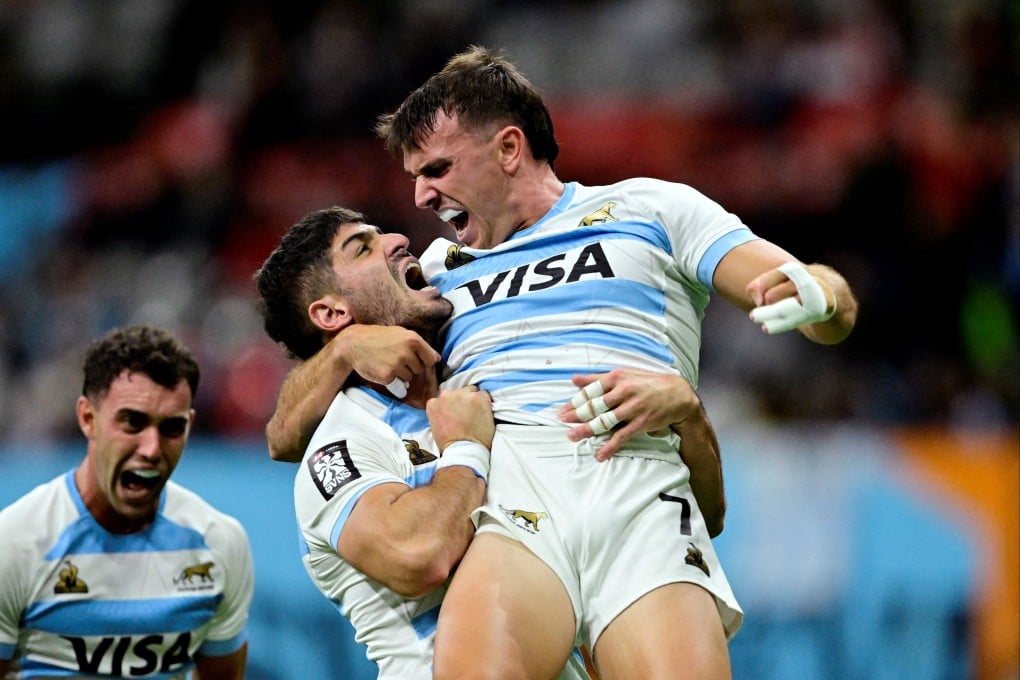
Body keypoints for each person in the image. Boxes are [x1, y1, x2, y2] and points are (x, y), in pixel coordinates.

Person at [270, 45, 859, 678]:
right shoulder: (436, 274)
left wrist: (820, 297)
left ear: (508, 149)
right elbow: (284, 433)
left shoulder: (652, 209)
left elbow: (827, 303)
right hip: (514, 492)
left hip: (640, 484)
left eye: (437, 168)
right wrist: (347, 347)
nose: (419, 196)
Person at [254, 207, 725, 678]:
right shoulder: (346, 443)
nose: (398, 238)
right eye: (363, 247)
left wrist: (688, 414)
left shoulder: (488, 388)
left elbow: (694, 519)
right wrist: (465, 450)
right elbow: (418, 556)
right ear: (333, 314)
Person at [0, 325, 254, 680]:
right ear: (88, 418)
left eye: (171, 428)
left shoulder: (219, 542)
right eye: (132, 422)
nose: (151, 449)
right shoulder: (14, 542)